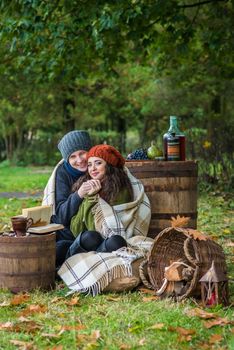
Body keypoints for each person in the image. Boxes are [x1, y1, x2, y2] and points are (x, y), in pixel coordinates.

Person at [57, 145, 153, 291]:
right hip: (88, 241)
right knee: (89, 237)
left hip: (109, 240)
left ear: (108, 165)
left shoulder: (118, 188)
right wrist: (89, 198)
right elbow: (76, 228)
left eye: (98, 163)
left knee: (116, 241)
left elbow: (113, 226)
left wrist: (94, 198)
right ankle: (80, 262)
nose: (93, 168)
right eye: (90, 164)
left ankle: (92, 262)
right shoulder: (85, 186)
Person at [42, 130, 99, 267]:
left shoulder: (99, 166)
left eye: (82, 153)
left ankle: (77, 257)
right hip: (68, 231)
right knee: (59, 248)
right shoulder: (62, 174)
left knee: (93, 237)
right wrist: (79, 194)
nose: (79, 160)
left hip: (96, 229)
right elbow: (60, 215)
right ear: (67, 159)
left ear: (90, 151)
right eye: (73, 156)